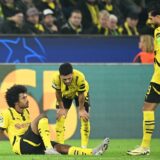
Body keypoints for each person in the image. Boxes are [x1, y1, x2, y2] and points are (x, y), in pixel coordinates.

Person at [0, 85, 109, 155]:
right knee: (42, 116)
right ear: (16, 102)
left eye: (26, 96)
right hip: (20, 145)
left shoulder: (26, 112)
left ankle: (92, 152)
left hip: (31, 144)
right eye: (23, 98)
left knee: (60, 147)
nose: (27, 100)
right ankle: (48, 148)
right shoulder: (6, 113)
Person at [127, 8, 160, 156]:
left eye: (151, 18)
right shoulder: (156, 31)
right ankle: (144, 146)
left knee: (147, 109)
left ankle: (145, 146)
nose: (149, 21)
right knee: (147, 109)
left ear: (158, 17)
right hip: (157, 78)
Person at [52, 63, 90, 148]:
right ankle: (60, 147)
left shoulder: (80, 77)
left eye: (69, 78)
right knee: (60, 117)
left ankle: (84, 147)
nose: (67, 81)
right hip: (66, 94)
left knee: (84, 118)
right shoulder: (56, 78)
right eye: (64, 79)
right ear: (60, 76)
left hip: (80, 94)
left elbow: (81, 94)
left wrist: (81, 109)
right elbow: (58, 93)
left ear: (72, 74)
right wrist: (61, 108)